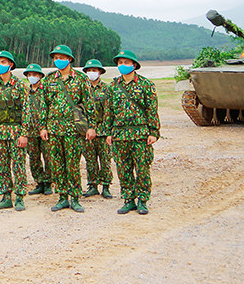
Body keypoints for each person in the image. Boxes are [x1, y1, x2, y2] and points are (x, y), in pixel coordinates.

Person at [39, 45, 96, 213]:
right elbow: (43, 105)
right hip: (54, 129)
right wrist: (43, 127)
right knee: (57, 164)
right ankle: (62, 197)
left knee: (72, 165)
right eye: (55, 58)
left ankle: (75, 197)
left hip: (73, 129)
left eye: (61, 58)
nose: (58, 60)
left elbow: (89, 104)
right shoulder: (49, 80)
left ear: (70, 59)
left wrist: (91, 127)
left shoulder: (80, 79)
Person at [104, 50, 160, 215]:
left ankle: (142, 200)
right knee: (123, 169)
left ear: (134, 65)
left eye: (126, 62)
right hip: (120, 135)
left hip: (140, 134)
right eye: (120, 62)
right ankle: (128, 200)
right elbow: (109, 111)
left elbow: (152, 110)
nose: (123, 65)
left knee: (142, 169)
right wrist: (108, 132)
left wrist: (153, 132)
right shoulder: (113, 86)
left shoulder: (145, 84)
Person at [0, 51, 32, 211]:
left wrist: (24, 134)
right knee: (2, 165)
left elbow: (26, 111)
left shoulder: (20, 85)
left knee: (18, 165)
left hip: (15, 132)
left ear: (10, 65)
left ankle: (20, 197)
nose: (0, 65)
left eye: (3, 62)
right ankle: (5, 196)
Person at [82, 59, 114, 199]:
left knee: (105, 159)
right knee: (90, 160)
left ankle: (106, 186)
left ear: (100, 72)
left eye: (94, 70)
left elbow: (109, 111)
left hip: (102, 130)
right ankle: (93, 185)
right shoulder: (83, 88)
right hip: (87, 131)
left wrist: (108, 132)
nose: (91, 73)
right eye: (89, 70)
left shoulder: (106, 89)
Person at [24, 63, 52, 195]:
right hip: (30, 131)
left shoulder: (46, 90)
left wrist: (45, 127)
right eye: (29, 75)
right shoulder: (25, 92)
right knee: (33, 158)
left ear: (40, 76)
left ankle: (48, 183)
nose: (32, 77)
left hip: (45, 130)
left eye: (34, 74)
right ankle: (39, 182)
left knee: (48, 157)